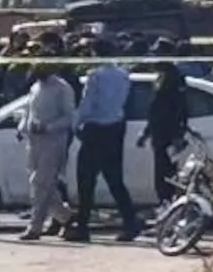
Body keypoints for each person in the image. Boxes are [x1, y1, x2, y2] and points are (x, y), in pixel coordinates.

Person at [70, 44, 141, 241]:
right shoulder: (123, 74)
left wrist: (76, 124)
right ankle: (130, 222)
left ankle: (82, 228)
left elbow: (88, 104)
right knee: (115, 179)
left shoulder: (96, 76)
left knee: (86, 179)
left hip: (96, 129)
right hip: (115, 127)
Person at [18, 59, 77, 241]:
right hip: (34, 141)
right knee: (40, 184)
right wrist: (23, 127)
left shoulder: (62, 88)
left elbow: (69, 117)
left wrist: (48, 127)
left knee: (41, 181)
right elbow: (28, 112)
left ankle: (35, 226)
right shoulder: (35, 87)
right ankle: (66, 217)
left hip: (53, 142)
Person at [139, 62, 190, 205]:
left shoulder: (168, 94)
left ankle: (166, 201)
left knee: (164, 174)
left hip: (164, 137)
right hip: (167, 137)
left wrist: (147, 133)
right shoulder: (175, 92)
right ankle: (168, 200)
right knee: (168, 173)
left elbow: (160, 116)